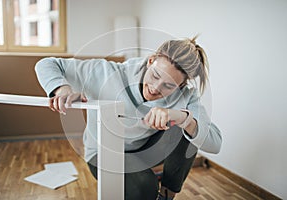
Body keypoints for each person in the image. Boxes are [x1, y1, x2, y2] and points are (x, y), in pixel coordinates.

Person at [35, 36, 222, 200]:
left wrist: (183, 118)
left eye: (168, 85)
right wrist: (62, 89)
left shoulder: (186, 95)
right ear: (150, 61)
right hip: (103, 153)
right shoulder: (107, 73)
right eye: (155, 75)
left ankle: (166, 195)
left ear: (181, 86)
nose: (156, 88)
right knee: (144, 187)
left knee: (189, 126)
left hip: (143, 149)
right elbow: (46, 64)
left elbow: (215, 143)